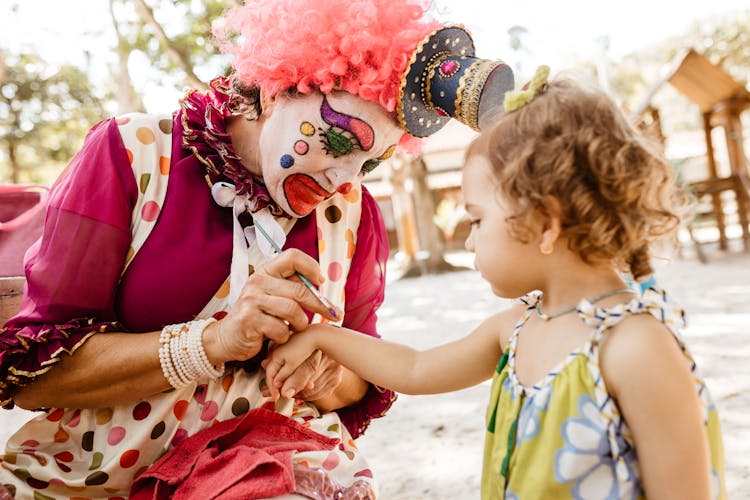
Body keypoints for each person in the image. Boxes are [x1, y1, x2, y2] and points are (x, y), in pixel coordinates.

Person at [0, 0, 515, 498]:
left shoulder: (354, 215)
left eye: (369, 164)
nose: (344, 180)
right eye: (338, 143)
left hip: (271, 465)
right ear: (276, 91)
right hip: (95, 481)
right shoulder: (131, 156)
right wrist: (217, 341)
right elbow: (36, 381)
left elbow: (362, 381)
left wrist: (327, 370)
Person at [264, 67, 727, 499]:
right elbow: (415, 368)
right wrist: (322, 336)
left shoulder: (634, 349)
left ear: (545, 222)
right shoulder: (519, 328)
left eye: (477, 219)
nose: (470, 241)